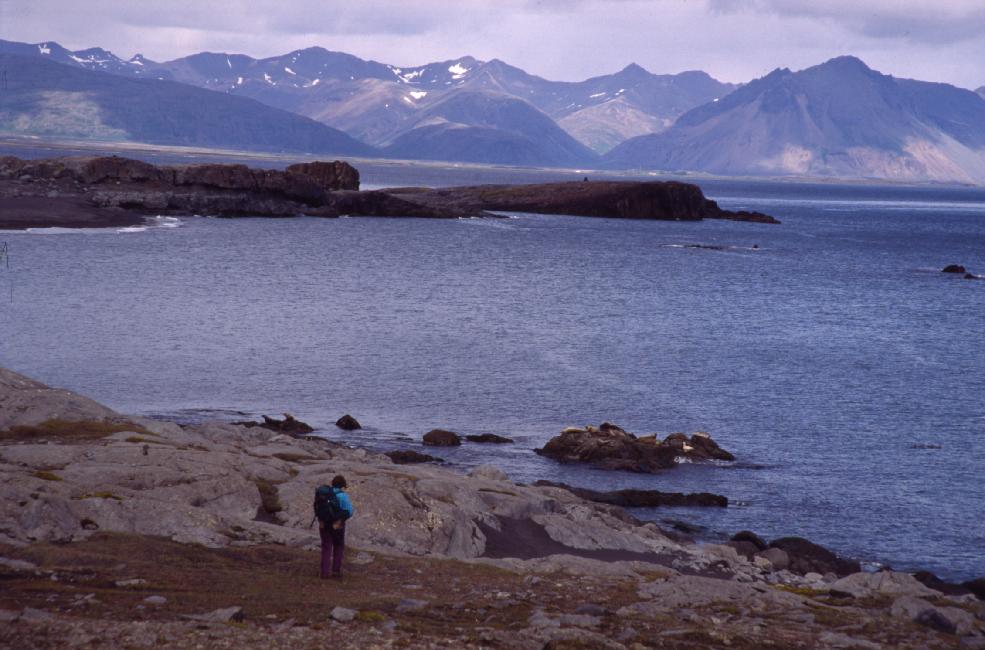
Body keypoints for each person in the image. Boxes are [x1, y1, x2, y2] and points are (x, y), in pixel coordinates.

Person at [319, 475, 354, 579]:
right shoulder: (343, 496)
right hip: (337, 525)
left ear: (332, 483)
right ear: (343, 485)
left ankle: (324, 573)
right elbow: (350, 511)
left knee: (326, 547)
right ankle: (336, 571)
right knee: (338, 546)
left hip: (324, 524)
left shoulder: (323, 494)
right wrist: (340, 520)